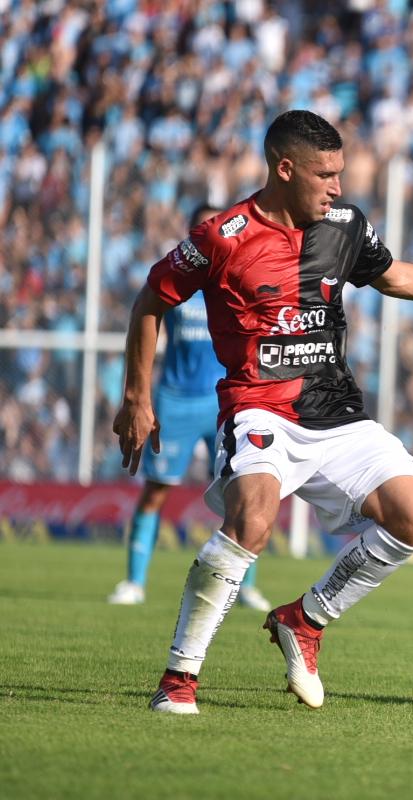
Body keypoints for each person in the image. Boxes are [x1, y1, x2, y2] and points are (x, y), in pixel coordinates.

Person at [113, 110, 413, 715]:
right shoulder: (223, 236)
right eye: (325, 175)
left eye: (340, 174)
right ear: (284, 168)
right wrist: (137, 396)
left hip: (336, 411)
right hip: (259, 407)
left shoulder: (346, 225)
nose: (337, 187)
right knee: (254, 521)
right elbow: (151, 297)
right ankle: (178, 678)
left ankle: (306, 620)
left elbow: (396, 276)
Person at [107, 204, 271, 612]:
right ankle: (133, 582)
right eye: (204, 226)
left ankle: (244, 585)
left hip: (224, 400)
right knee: (156, 491)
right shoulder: (179, 281)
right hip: (175, 401)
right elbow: (148, 315)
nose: (213, 231)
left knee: (245, 494)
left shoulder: (237, 278)